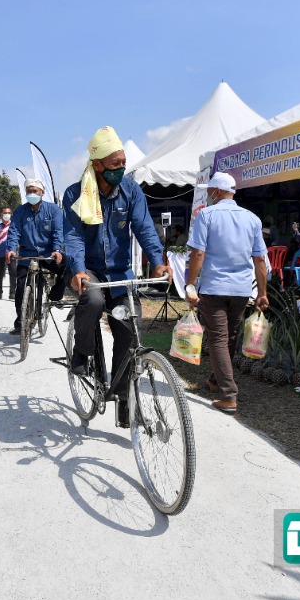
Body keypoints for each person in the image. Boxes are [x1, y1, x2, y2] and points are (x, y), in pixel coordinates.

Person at [64, 126, 168, 428]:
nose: (121, 168)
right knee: (94, 300)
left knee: (129, 329)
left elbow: (144, 228)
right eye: (115, 164)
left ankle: (124, 399)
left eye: (123, 163)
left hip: (120, 272)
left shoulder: (131, 190)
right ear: (97, 165)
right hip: (90, 269)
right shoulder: (76, 194)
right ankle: (81, 352)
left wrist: (157, 262)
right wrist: (78, 269)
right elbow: (73, 236)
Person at [184, 172, 269, 414]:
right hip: (241, 289)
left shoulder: (206, 215)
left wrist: (190, 285)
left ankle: (229, 394)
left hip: (214, 287)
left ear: (217, 191)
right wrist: (262, 292)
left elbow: (198, 253)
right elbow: (260, 260)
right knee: (228, 336)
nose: (209, 195)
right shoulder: (252, 218)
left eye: (210, 191)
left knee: (219, 338)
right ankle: (215, 380)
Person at [6, 179, 66, 334]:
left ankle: (55, 295)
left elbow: (58, 231)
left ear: (42, 193)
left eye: (35, 191)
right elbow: (14, 231)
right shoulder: (20, 211)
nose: (32, 194)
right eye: (29, 191)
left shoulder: (53, 210)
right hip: (27, 255)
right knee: (20, 288)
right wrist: (11, 249)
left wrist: (57, 249)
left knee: (67, 267)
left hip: (48, 255)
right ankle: (21, 322)